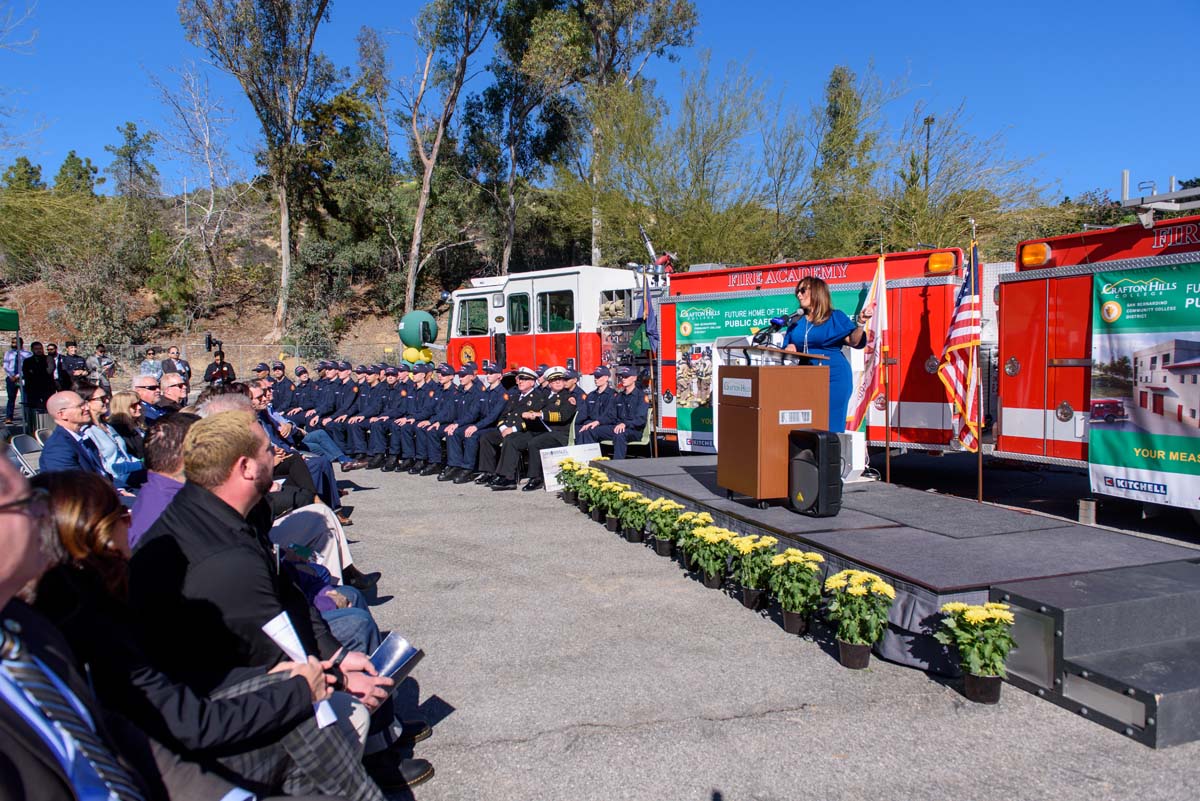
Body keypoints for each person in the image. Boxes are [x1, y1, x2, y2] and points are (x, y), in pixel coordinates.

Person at [30, 470, 386, 801]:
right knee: (302, 717)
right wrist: (295, 692)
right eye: (122, 518)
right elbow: (183, 722)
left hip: (176, 726)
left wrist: (271, 678)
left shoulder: (97, 594)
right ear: (93, 533)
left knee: (303, 720)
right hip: (159, 766)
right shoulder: (93, 620)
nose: (131, 521)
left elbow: (172, 682)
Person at [128, 411, 434, 790]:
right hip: (218, 709)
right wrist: (338, 680)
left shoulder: (223, 511)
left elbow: (284, 586)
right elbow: (275, 653)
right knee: (322, 723)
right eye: (267, 451)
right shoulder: (223, 559)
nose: (276, 453)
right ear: (245, 468)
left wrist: (335, 654)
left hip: (246, 672)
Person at [0, 453, 262, 801]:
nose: (41, 516)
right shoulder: (72, 614)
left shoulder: (27, 625)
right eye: (29, 502)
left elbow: (107, 735)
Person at [782, 276, 868, 434]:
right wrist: (790, 347)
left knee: (830, 425)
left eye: (802, 290)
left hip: (833, 377)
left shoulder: (835, 317)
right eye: (797, 292)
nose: (798, 295)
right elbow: (788, 346)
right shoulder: (796, 320)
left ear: (816, 292)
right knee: (806, 425)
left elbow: (854, 341)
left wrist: (861, 324)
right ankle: (807, 458)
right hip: (805, 377)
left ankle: (830, 458)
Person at [477, 366, 544, 489]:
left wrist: (512, 429)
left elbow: (533, 421)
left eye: (524, 379)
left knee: (511, 440)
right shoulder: (514, 396)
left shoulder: (537, 398)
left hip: (526, 431)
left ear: (532, 382)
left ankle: (508, 478)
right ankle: (489, 472)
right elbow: (503, 416)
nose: (520, 381)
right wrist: (503, 428)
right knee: (487, 437)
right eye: (519, 378)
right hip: (507, 430)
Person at [79, 382, 145, 489]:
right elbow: (104, 466)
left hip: (133, 472)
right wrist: (141, 465)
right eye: (102, 399)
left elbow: (125, 455)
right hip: (118, 480)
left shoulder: (108, 426)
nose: (107, 401)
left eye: (106, 397)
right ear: (87, 403)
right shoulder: (87, 432)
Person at [575, 365, 648, 459]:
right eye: (622, 377)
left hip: (633, 430)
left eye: (626, 377)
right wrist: (597, 422)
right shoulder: (619, 396)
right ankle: (590, 462)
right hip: (616, 427)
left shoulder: (641, 397)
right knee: (590, 431)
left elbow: (640, 420)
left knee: (620, 434)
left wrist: (625, 424)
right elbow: (611, 415)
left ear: (634, 378)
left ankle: (617, 466)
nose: (623, 379)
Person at [40, 392, 109, 477]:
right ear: (62, 414)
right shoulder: (58, 448)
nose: (87, 408)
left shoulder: (83, 438)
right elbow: (73, 485)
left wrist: (121, 488)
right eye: (80, 406)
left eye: (85, 404)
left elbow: (103, 472)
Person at [21, 341, 56, 431]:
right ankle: (34, 430)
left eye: (40, 349)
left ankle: (49, 429)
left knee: (48, 409)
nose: (39, 351)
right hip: (33, 389)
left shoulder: (49, 359)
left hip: (47, 388)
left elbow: (49, 371)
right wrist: (35, 373)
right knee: (34, 410)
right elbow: (27, 374)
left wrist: (35, 372)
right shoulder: (27, 361)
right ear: (32, 350)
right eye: (36, 349)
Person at [108, 389, 147, 460]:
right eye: (134, 405)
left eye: (139, 403)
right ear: (123, 408)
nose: (139, 407)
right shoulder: (118, 429)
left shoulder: (139, 424)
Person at [3, 336, 29, 424]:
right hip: (11, 379)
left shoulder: (27, 354)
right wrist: (11, 376)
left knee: (25, 399)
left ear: (21, 343)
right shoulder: (8, 353)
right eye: (12, 342)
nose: (13, 344)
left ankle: (26, 417)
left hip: (22, 379)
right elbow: (6, 366)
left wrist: (18, 376)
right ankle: (9, 417)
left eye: (15, 342)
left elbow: (27, 368)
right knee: (11, 398)